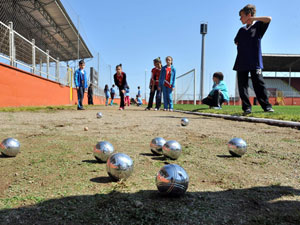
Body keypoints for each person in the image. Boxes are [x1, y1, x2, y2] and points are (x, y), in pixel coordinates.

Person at [233, 4, 274, 115]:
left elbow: (269, 19)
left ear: (249, 15)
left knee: (259, 84)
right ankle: (247, 108)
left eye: (242, 16)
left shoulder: (258, 26)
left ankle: (266, 106)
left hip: (255, 61)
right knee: (243, 86)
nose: (240, 19)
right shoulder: (241, 30)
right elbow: (236, 41)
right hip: (241, 62)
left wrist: (253, 19)